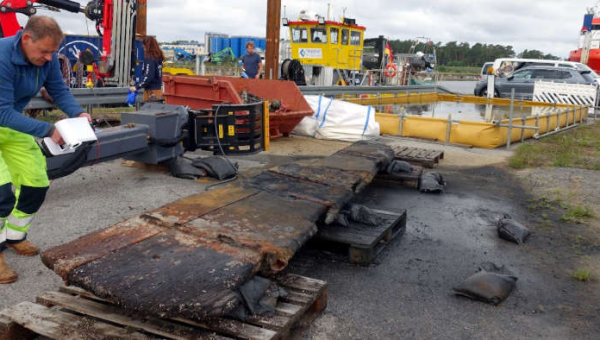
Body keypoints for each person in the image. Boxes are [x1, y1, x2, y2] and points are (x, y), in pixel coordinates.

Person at [0, 15, 91, 284]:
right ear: (27, 39)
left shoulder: (46, 60)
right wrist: (49, 130)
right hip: (4, 117)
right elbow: (1, 111)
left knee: (37, 183)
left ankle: (14, 236)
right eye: (44, 51)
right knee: (1, 195)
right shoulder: (2, 55)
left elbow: (58, 91)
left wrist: (78, 114)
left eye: (53, 52)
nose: (50, 58)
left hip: (11, 124)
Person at [131, 36, 164, 102]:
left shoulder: (150, 58)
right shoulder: (158, 57)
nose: (143, 47)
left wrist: (137, 87)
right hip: (157, 89)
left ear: (148, 45)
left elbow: (148, 76)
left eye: (144, 45)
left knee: (148, 111)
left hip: (151, 91)